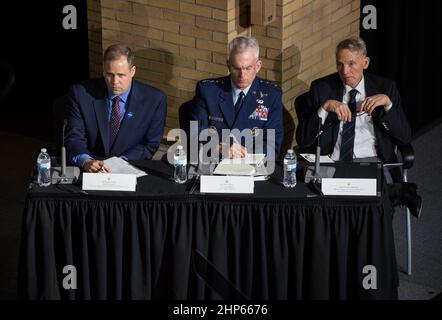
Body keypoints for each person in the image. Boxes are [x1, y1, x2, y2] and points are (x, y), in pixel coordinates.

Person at [296, 37, 422, 218]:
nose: (345, 71)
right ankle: (398, 192)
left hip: (372, 160)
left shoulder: (385, 87)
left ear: (365, 62)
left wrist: (388, 105)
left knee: (374, 211)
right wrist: (324, 109)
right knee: (333, 209)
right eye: (340, 64)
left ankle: (388, 194)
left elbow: (404, 137)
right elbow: (304, 139)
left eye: (351, 64)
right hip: (334, 161)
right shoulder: (322, 88)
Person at [65, 44, 167, 172]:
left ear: (132, 71)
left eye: (121, 75)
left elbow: (149, 144)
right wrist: (86, 161)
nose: (114, 81)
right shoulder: (80, 94)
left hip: (129, 166)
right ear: (103, 70)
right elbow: (74, 137)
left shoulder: (154, 100)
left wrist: (119, 164)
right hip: (91, 166)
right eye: (109, 74)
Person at [191, 36, 283, 159]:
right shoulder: (208, 91)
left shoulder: (271, 95)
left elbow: (272, 145)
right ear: (228, 65)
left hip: (252, 165)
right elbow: (195, 133)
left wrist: (246, 158)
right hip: (215, 162)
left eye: (247, 68)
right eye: (236, 68)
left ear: (258, 66)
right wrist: (218, 148)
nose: (242, 75)